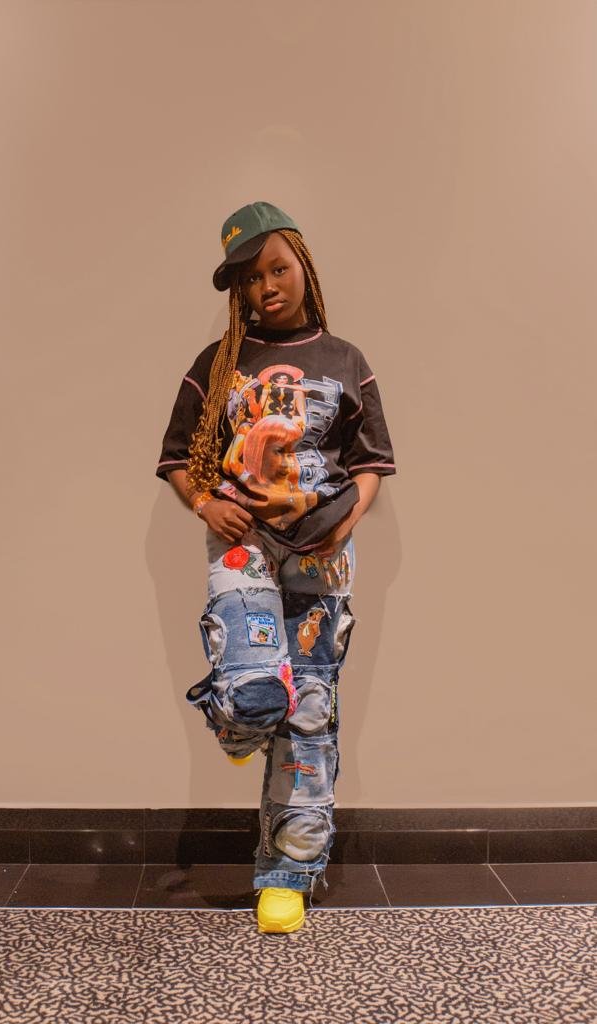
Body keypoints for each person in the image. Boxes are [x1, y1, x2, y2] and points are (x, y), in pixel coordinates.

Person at [156, 201, 397, 934]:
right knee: (256, 694)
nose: (267, 287)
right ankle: (238, 718)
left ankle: (288, 874)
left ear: (303, 267)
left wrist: (347, 522)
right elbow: (177, 457)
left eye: (277, 269)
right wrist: (205, 504)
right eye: (251, 279)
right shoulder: (217, 364)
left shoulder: (347, 360)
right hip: (245, 545)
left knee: (309, 712)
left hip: (323, 554)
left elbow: (371, 463)